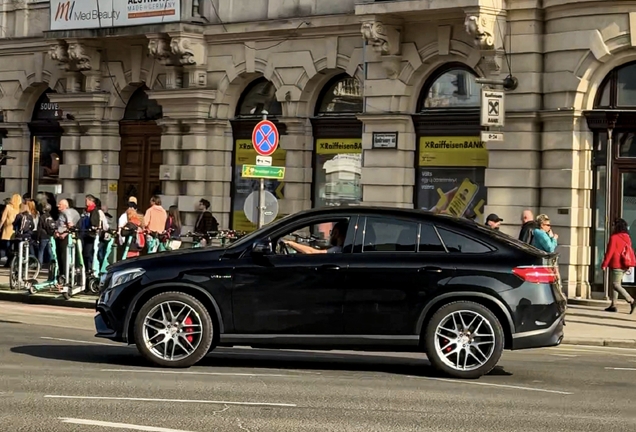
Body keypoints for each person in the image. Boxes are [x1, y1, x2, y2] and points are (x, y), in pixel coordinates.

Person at [601, 218, 636, 314]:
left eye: (613, 225)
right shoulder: (627, 237)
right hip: (625, 264)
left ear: (617, 226)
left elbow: (610, 252)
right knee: (617, 284)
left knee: (615, 285)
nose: (612, 227)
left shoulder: (614, 237)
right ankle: (613, 305)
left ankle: (631, 300)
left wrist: (604, 264)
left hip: (616, 264)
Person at [55, 199, 80, 274]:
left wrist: (64, 234)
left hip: (64, 237)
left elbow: (70, 224)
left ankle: (64, 274)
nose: (58, 206)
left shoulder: (66, 212)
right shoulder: (69, 212)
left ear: (65, 206)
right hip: (64, 236)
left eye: (60, 204)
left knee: (63, 256)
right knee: (64, 255)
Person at [80, 194, 102, 272]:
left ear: (90, 201)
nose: (85, 202)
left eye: (86, 200)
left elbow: (95, 223)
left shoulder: (94, 210)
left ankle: (89, 270)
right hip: (83, 234)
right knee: (82, 253)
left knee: (88, 254)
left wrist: (92, 227)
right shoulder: (86, 210)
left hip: (90, 236)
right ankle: (84, 269)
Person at [0, 194, 20, 267]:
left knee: (6, 247)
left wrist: (0, 226)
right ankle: (11, 261)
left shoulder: (8, 207)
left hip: (7, 230)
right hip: (16, 231)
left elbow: (3, 219)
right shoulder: (19, 208)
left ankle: (8, 260)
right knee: (14, 247)